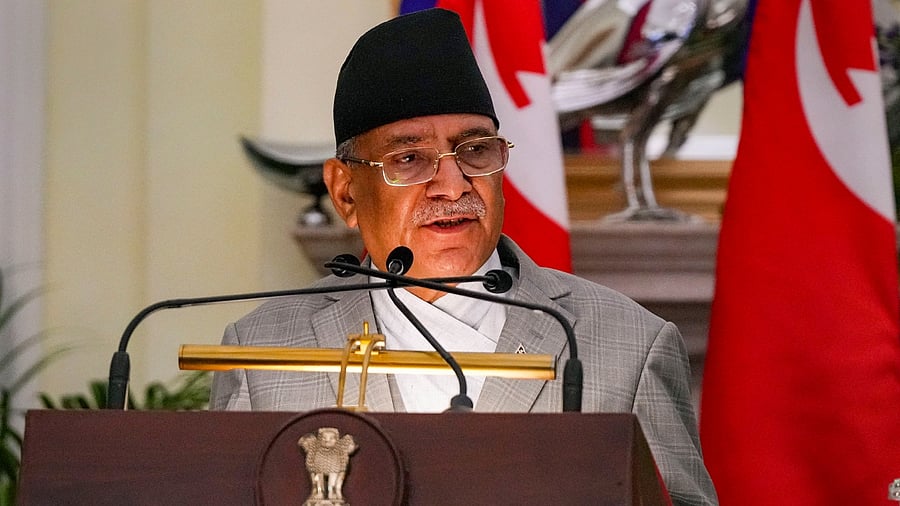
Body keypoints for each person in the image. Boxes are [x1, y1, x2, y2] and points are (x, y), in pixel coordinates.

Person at [210, 8, 717, 505]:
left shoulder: (629, 345)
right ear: (345, 193)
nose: (453, 187)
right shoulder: (263, 349)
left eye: (475, 150)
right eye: (409, 159)